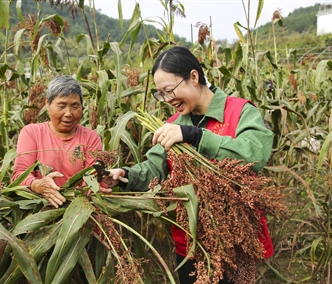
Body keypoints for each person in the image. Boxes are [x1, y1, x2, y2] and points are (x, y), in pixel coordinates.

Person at [98, 46, 274, 283]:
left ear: (193, 76)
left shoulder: (239, 111)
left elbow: (256, 153)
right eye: (161, 94)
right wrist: (124, 174)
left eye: (170, 90)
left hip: (235, 240)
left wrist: (196, 135)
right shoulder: (172, 125)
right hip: (190, 244)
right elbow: (154, 169)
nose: (168, 99)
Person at [12, 75, 102, 208]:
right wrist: (38, 185)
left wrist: (85, 191)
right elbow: (19, 175)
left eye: (75, 106)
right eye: (62, 105)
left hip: (80, 211)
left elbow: (94, 176)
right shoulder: (32, 133)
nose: (68, 113)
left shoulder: (91, 137)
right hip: (41, 212)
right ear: (47, 104)